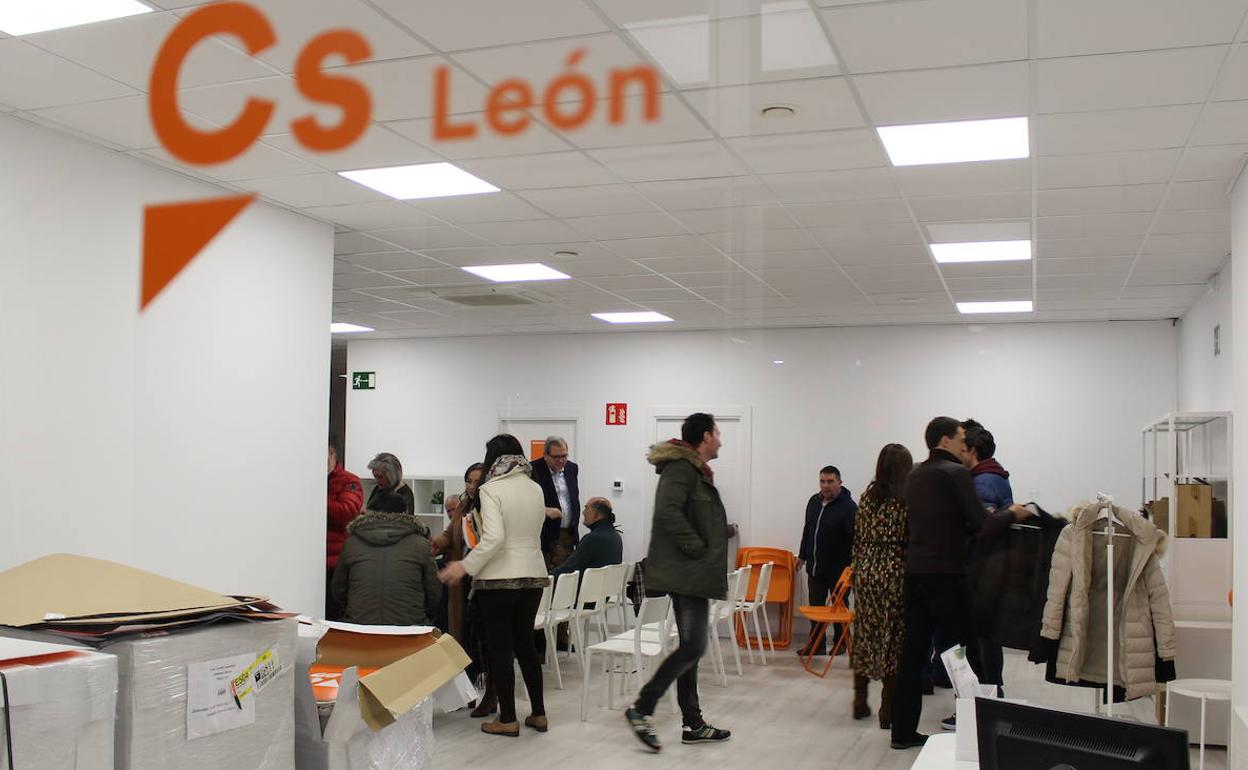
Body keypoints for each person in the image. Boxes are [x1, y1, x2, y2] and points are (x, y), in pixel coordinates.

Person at [890, 417, 1028, 751]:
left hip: (916, 575)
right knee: (968, 654)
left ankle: (903, 733)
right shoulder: (955, 474)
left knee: (912, 655)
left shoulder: (915, 475)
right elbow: (982, 523)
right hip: (948, 576)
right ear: (946, 440)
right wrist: (1015, 514)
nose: (964, 443)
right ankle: (981, 729)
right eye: (960, 437)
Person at [624, 413, 732, 753]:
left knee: (691, 649)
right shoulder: (679, 470)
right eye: (717, 433)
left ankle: (692, 723)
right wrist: (698, 547)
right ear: (704, 436)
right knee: (693, 647)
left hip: (693, 573)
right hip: (687, 573)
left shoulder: (696, 472)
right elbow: (667, 513)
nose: (720, 439)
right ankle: (642, 709)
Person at [440, 435, 549, 738]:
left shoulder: (490, 489)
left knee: (500, 649)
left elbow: (494, 538)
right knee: (526, 644)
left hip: (498, 578)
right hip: (534, 574)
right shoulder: (535, 486)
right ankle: (539, 714)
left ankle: (509, 719)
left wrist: (465, 566)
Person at [850, 444, 913, 729]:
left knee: (865, 634)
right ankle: (887, 708)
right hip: (894, 572)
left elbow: (858, 537)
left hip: (865, 571)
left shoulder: (867, 495)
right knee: (893, 640)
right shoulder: (906, 499)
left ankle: (860, 700)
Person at [331, 491, 439, 626]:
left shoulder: (352, 543)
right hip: (409, 628)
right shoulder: (420, 544)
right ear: (405, 513)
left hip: (360, 626)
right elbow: (434, 593)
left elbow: (339, 589)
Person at [796, 465, 857, 657]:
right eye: (822, 481)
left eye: (830, 481)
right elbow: (808, 531)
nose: (825, 486)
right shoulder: (813, 502)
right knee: (815, 607)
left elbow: (855, 539)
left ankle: (840, 644)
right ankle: (817, 644)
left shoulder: (849, 507)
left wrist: (853, 567)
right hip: (815, 567)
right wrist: (802, 555)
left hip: (839, 569)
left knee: (839, 607)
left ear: (839, 483)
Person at [432, 463, 485, 642]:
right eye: (468, 481)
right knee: (462, 624)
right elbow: (450, 533)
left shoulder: (490, 506)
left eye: (477, 481)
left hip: (482, 573)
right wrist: (435, 544)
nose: (471, 486)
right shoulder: (463, 506)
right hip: (461, 572)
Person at [529, 436, 581, 569]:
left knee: (565, 577)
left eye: (564, 456)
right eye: (556, 457)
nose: (561, 460)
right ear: (546, 455)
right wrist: (544, 510)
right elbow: (524, 502)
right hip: (544, 535)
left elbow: (574, 497)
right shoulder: (533, 469)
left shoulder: (572, 468)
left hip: (568, 533)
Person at [326, 436, 363, 620]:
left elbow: (347, 511)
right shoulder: (308, 480)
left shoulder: (349, 481)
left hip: (336, 565)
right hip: (308, 561)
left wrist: (316, 500)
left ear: (332, 454)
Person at [551, 497, 623, 577]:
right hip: (607, 587)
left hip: (589, 587)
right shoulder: (616, 536)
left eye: (586, 508)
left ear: (595, 512)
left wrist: (547, 577)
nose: (583, 512)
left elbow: (569, 568)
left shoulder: (593, 538)